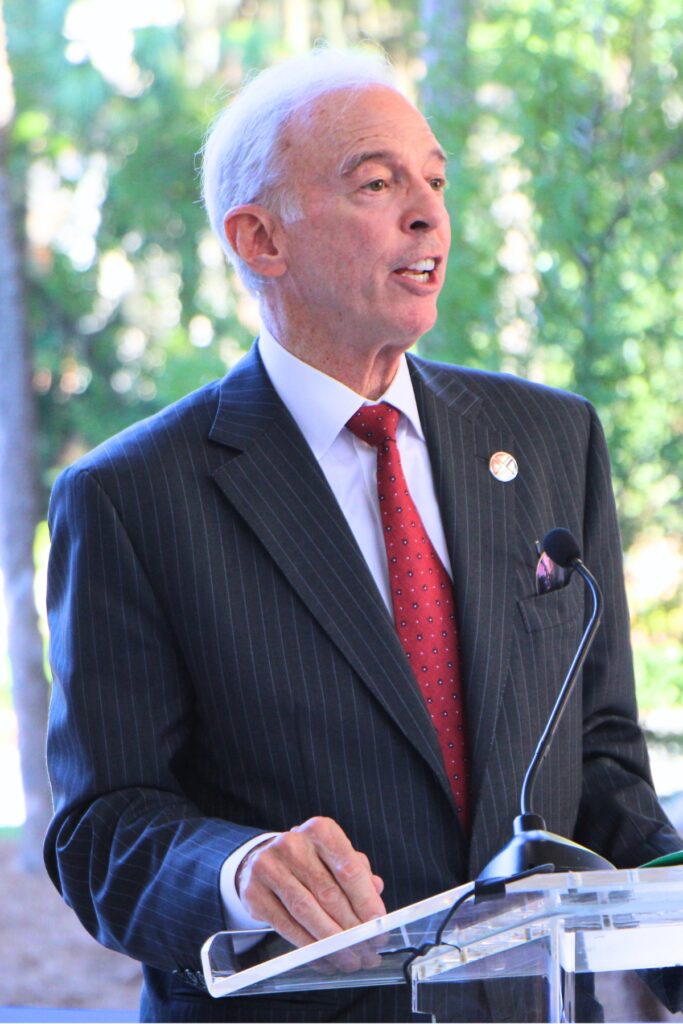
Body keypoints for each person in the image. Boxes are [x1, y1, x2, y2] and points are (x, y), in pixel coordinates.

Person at [44, 46, 682, 1023]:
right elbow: (103, 829)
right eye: (376, 184)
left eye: (434, 180)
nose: (427, 214)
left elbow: (599, 762)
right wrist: (240, 870)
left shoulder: (550, 438)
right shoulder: (129, 496)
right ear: (260, 239)